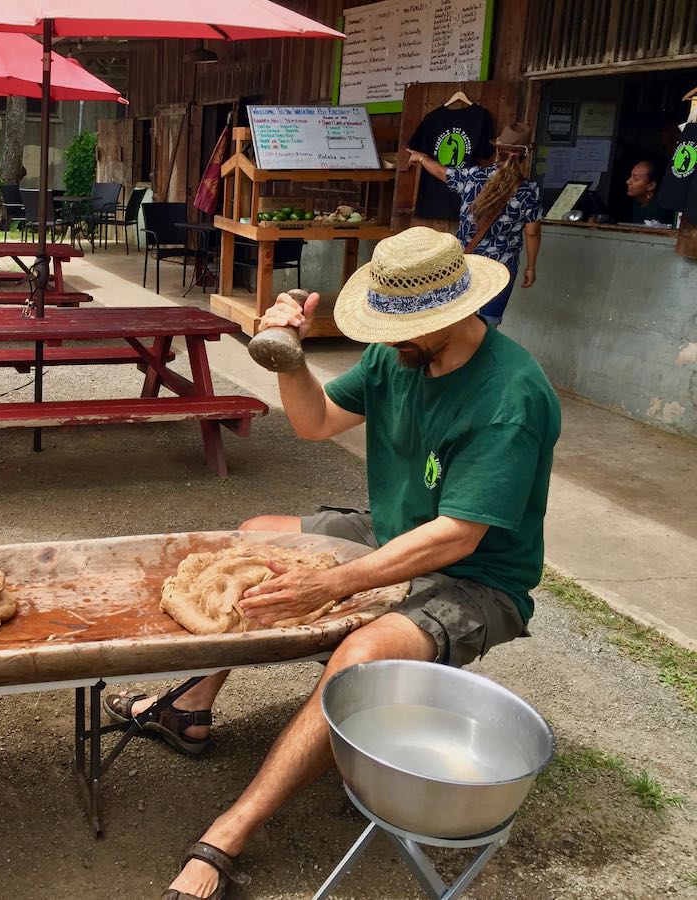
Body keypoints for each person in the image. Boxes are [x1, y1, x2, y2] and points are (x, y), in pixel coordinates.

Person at [107, 227, 561, 900]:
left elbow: (457, 538)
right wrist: (287, 357)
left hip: (476, 578)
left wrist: (327, 585)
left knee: (361, 652)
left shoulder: (508, 397)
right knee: (252, 541)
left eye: (403, 329)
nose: (389, 341)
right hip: (396, 531)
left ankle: (228, 833)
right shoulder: (399, 355)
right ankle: (190, 708)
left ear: (456, 312)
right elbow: (315, 422)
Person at [408, 122, 543, 326]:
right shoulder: (529, 191)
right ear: (525, 156)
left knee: (460, 318)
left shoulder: (473, 176)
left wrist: (421, 158)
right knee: (489, 321)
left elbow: (442, 172)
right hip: (502, 266)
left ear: (498, 151)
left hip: (467, 260)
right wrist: (531, 267)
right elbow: (532, 232)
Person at [626, 158, 670, 225]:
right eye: (630, 176)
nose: (628, 181)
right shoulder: (636, 202)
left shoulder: (660, 208)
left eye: (635, 178)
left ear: (651, 185)